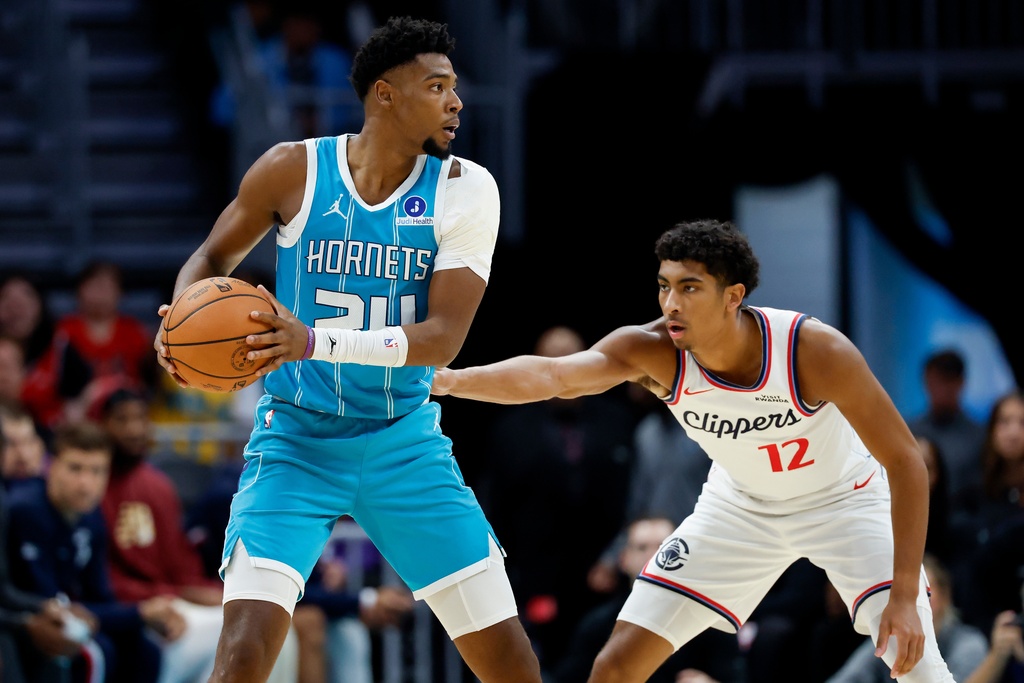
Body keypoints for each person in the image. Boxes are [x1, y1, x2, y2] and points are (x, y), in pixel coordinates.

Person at [153, 15, 541, 683]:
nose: (457, 102)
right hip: (296, 439)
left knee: (508, 660)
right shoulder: (292, 169)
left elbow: (442, 338)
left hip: (403, 441)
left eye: (455, 88)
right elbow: (211, 255)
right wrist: (179, 317)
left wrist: (310, 338)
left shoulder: (465, 188)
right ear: (385, 94)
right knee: (242, 655)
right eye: (438, 86)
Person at [432, 219, 956, 682]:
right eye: (664, 286)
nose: (671, 304)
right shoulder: (652, 348)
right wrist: (451, 380)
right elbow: (553, 375)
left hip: (844, 501)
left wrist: (907, 593)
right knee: (616, 664)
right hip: (740, 507)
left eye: (689, 288)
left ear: (733, 295)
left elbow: (906, 461)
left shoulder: (813, 350)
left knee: (917, 663)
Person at [96, 386, 299, 683]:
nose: (134, 429)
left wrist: (206, 592)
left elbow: (179, 565)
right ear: (102, 424)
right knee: (239, 635)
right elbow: (101, 578)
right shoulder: (93, 486)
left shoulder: (157, 485)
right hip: (134, 610)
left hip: (170, 600)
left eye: (140, 418)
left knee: (269, 623)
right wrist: (162, 599)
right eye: (122, 420)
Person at [481, 325, 635, 668]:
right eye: (551, 360)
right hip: (536, 575)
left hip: (605, 572)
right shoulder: (510, 428)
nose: (561, 369)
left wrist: (614, 558)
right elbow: (496, 506)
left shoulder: (619, 420)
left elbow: (633, 498)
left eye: (572, 359)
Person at [5, 419, 179, 682]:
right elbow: (48, 598)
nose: (86, 483)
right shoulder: (25, 511)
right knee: (94, 653)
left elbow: (101, 596)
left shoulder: (92, 518)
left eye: (97, 471)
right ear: (50, 466)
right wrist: (139, 612)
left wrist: (138, 615)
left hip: (68, 614)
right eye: (75, 469)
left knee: (145, 649)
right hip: (24, 620)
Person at [549, 516, 741, 683]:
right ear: (623, 559)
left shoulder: (710, 622)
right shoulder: (597, 624)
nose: (653, 555)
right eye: (642, 548)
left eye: (663, 546)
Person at [827, 552, 988, 683]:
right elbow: (847, 678)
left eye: (925, 593)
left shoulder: (969, 643)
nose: (915, 601)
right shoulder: (889, 637)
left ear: (945, 596)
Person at [906, 349, 985, 506]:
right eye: (937, 381)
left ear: (961, 383)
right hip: (916, 515)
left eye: (948, 381)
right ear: (926, 381)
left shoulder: (981, 437)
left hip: (964, 524)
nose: (942, 389)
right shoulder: (907, 432)